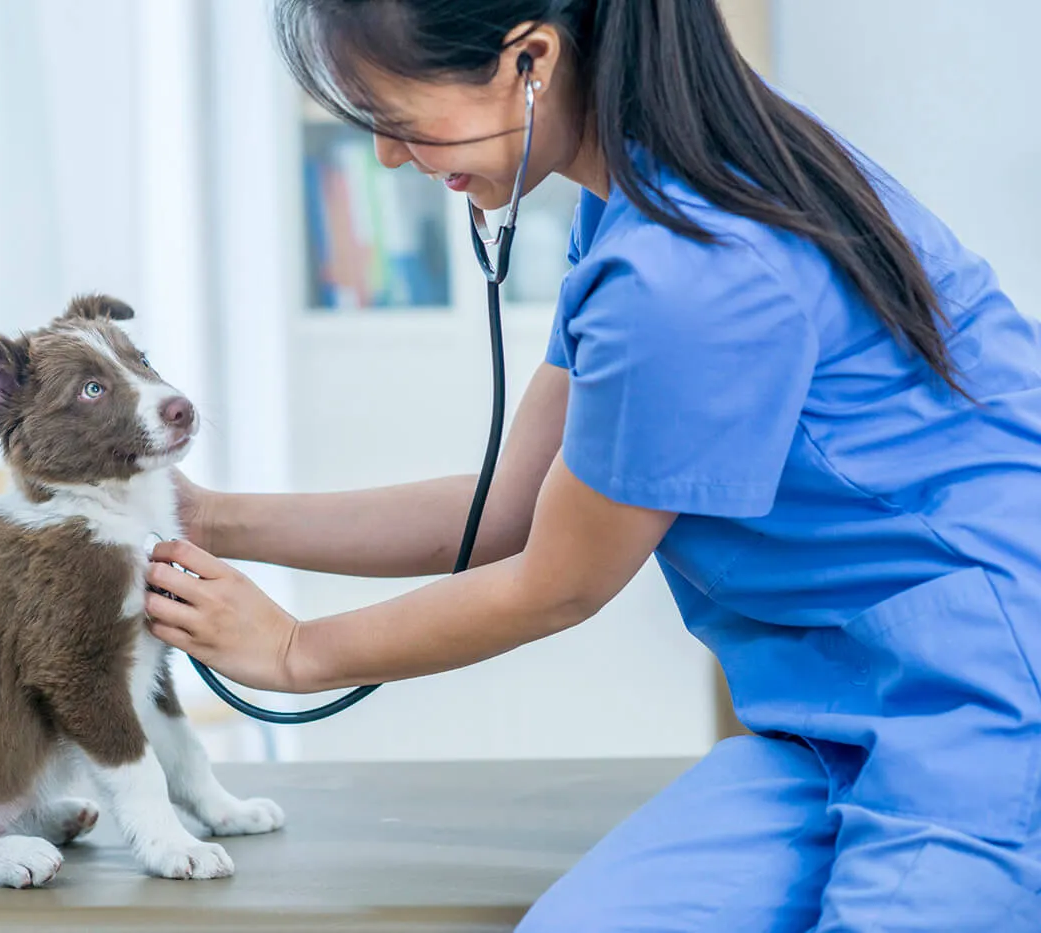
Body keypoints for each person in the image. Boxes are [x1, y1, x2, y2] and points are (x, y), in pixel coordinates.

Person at [144, 0, 1041, 928]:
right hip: (836, 715)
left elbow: (557, 582)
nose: (387, 156)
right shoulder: (639, 202)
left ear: (530, 60)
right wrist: (205, 516)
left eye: (401, 119)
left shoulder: (689, 270)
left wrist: (295, 651)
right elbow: (512, 508)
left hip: (990, 707)